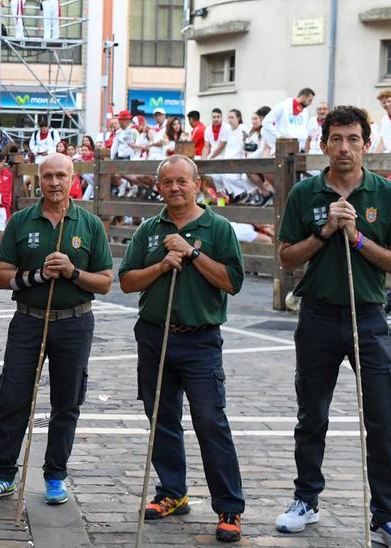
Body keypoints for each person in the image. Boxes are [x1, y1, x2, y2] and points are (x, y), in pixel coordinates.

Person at [273, 106, 391, 547]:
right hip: (317, 314)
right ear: (323, 145)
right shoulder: (305, 194)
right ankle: (306, 500)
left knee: (382, 415)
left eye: (353, 139)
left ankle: (386, 516)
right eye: (336, 139)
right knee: (311, 413)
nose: (344, 147)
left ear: (366, 144)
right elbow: (285, 257)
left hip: (369, 317)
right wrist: (324, 234)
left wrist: (357, 238)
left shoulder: (388, 195)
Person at [118, 156, 246, 543]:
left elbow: (232, 282)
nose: (175, 188)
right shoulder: (149, 230)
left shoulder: (218, 228)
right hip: (155, 335)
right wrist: (162, 264)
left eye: (182, 182)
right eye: (167, 182)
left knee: (210, 421)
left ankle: (229, 507)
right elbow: (126, 282)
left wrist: (191, 253)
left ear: (198, 184)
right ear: (159, 187)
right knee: (161, 417)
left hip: (200, 339)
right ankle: (172, 492)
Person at [0, 153, 112, 505]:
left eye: (61, 176)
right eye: (48, 176)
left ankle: (55, 475)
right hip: (29, 320)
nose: (54, 182)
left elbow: (105, 283)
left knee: (67, 401)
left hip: (75, 322)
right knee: (12, 398)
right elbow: (1, 276)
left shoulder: (89, 224)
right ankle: (3, 472)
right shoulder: (22, 221)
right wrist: (36, 276)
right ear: (39, 180)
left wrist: (72, 272)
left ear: (73, 179)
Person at [262, 88, 316, 152]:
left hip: (301, 148)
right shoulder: (282, 106)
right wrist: (279, 135)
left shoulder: (305, 111)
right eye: (309, 100)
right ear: (303, 97)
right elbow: (266, 122)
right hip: (285, 147)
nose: (310, 103)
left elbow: (304, 129)